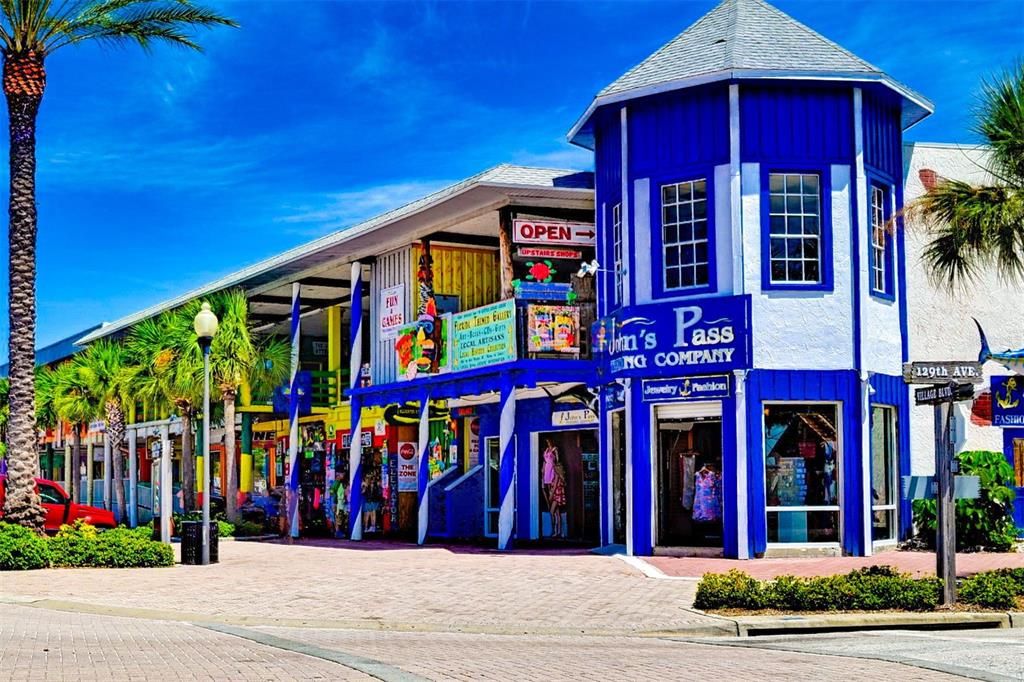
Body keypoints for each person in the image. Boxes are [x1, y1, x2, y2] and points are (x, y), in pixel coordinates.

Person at [549, 461, 567, 538]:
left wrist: (550, 496)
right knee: (557, 514)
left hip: (556, 496)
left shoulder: (556, 475)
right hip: (559, 495)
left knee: (551, 512)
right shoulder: (561, 476)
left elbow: (554, 487)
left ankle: (554, 530)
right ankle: (558, 531)